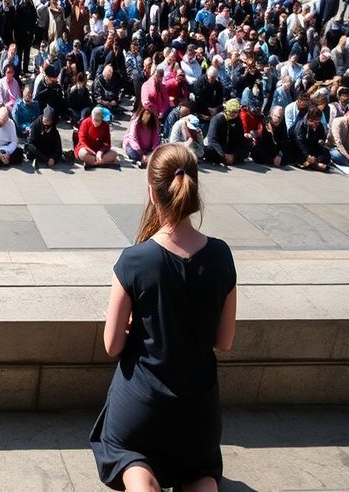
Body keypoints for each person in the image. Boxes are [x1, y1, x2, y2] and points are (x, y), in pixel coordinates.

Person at [90, 143, 237, 492]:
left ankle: (142, 482)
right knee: (199, 473)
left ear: (153, 194)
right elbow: (225, 340)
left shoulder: (135, 260)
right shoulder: (221, 255)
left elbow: (112, 346)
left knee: (133, 459)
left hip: (142, 407)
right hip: (198, 413)